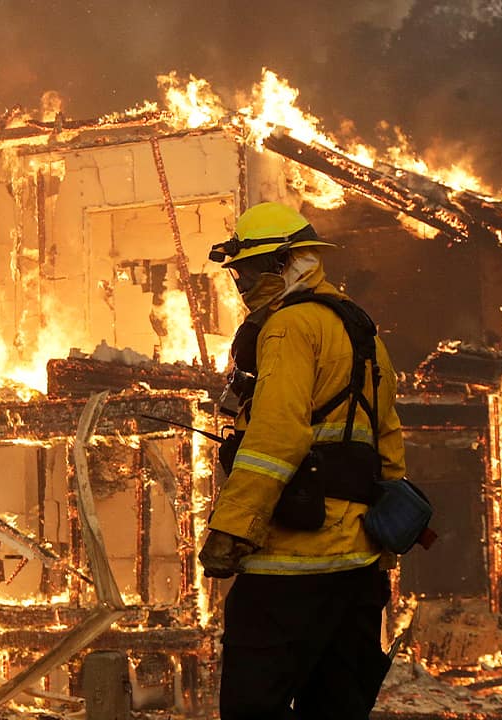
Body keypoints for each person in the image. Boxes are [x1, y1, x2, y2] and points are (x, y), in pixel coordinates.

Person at [200, 201, 407, 719]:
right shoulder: (361, 332)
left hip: (290, 565)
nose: (242, 284)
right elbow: (387, 443)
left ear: (286, 262)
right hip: (357, 567)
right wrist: (385, 542)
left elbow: (274, 439)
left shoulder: (289, 328)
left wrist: (231, 527)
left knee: (253, 706)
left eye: (248, 270)